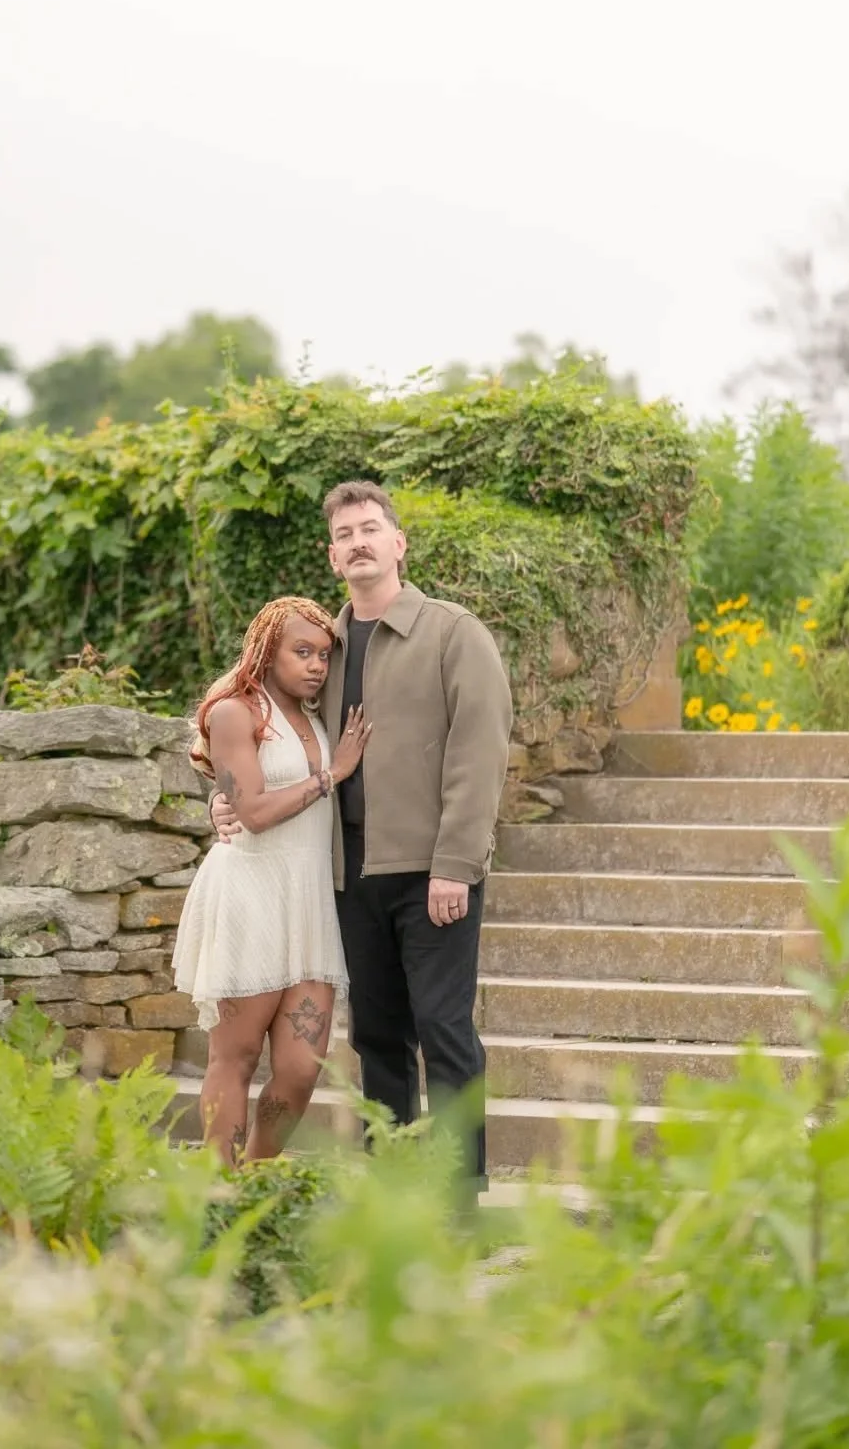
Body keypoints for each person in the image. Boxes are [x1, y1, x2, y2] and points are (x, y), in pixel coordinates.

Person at [210, 481, 512, 1192]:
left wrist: (456, 865)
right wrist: (223, 805)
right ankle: (394, 1195)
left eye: (372, 529)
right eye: (346, 535)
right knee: (376, 1042)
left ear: (399, 543)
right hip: (346, 881)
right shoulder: (321, 650)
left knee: (444, 1034)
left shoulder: (452, 632)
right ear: (332, 555)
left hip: (430, 874)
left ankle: (462, 1198)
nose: (360, 543)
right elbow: (254, 734)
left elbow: (481, 750)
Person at [172, 596, 371, 1164]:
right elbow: (254, 812)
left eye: (323, 655)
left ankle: (256, 1179)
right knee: (232, 1058)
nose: (315, 666)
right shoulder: (235, 711)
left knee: (301, 1070)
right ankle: (219, 1185)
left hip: (308, 903)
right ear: (265, 650)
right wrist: (332, 775)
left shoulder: (315, 715)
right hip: (251, 894)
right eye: (301, 652)